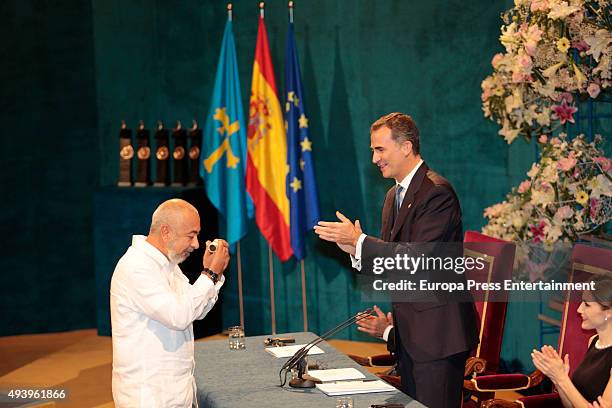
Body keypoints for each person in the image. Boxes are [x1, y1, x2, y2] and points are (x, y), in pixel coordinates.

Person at [315, 112, 478, 408]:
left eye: (380, 149)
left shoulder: (437, 193)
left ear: (406, 147)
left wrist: (361, 242)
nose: (374, 158)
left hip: (438, 337)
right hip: (411, 337)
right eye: (372, 150)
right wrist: (354, 250)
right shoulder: (393, 196)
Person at [110, 198, 230, 407]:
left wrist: (214, 277)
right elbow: (179, 317)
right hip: (149, 395)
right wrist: (209, 274)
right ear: (166, 232)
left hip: (174, 390)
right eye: (191, 236)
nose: (195, 244)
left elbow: (195, 311)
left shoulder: (167, 264)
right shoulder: (137, 267)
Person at [531, 277, 612, 407]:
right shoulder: (594, 341)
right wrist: (558, 378)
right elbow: (570, 406)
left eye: (587, 304)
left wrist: (562, 379)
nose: (579, 309)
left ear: (609, 311)